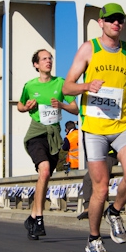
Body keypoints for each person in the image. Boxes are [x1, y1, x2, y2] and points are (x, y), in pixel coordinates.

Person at [63, 3, 126, 252]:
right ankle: (93, 238)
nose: (117, 23)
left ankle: (114, 211)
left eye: (120, 20)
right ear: (101, 23)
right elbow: (67, 87)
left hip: (122, 124)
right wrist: (86, 86)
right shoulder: (89, 49)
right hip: (94, 128)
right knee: (100, 188)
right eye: (111, 19)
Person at [17, 49, 78, 240]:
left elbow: (75, 109)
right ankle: (40, 219)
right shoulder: (30, 85)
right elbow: (20, 105)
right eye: (44, 59)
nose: (48, 61)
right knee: (43, 171)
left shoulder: (60, 83)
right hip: (36, 133)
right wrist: (26, 107)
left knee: (45, 177)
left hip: (53, 136)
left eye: (50, 58)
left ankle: (32, 218)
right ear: (36, 64)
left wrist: (62, 105)